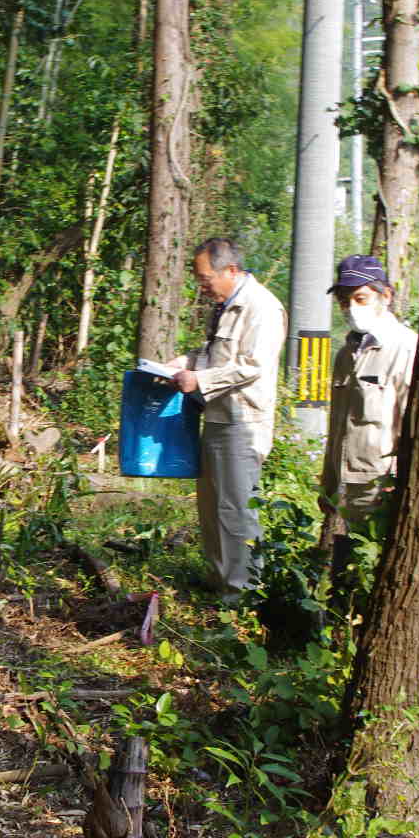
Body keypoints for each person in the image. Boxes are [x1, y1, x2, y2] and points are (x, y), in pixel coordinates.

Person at [160, 238, 287, 592]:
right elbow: (216, 353)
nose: (202, 287)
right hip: (217, 417)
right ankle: (220, 582)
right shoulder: (226, 305)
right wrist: (182, 363)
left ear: (231, 270)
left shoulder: (261, 307)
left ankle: (243, 594)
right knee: (213, 506)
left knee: (236, 510)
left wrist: (198, 379)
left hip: (243, 423)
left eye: (205, 279)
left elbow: (252, 365)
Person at [319, 255, 419, 581]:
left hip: (380, 485)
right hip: (345, 485)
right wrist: (328, 483)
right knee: (343, 575)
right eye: (343, 301)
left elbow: (410, 421)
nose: (350, 308)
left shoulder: (405, 347)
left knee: (374, 573)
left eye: (359, 298)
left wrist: (401, 482)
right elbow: (337, 425)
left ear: (385, 296)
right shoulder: (346, 353)